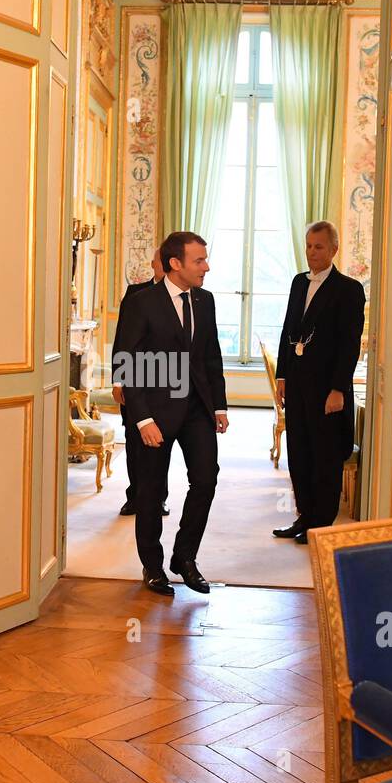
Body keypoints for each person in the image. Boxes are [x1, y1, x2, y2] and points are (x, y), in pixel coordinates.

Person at [111, 231, 229, 597]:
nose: (206, 267)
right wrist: (142, 419)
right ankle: (153, 566)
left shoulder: (205, 301)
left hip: (197, 410)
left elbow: (211, 356)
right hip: (154, 412)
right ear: (175, 264)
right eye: (199, 260)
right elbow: (127, 361)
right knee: (150, 491)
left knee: (206, 479)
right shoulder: (141, 302)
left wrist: (220, 405)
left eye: (205, 259)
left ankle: (185, 557)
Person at [271, 222, 365, 545]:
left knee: (325, 457)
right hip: (296, 385)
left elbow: (349, 343)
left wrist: (339, 388)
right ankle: (304, 516)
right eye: (309, 246)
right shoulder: (299, 283)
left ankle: (321, 524)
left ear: (333, 249)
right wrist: (282, 375)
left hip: (328, 390)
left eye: (319, 247)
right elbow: (288, 331)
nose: (312, 252)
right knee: (299, 453)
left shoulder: (349, 289)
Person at [112, 251, 169, 518]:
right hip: (135, 380)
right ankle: (134, 495)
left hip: (168, 382)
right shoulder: (135, 293)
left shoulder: (184, 295)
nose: (164, 264)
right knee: (134, 440)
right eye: (160, 260)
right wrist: (118, 379)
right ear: (154, 264)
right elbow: (121, 339)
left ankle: (159, 498)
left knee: (162, 443)